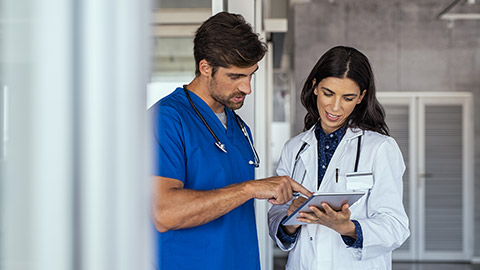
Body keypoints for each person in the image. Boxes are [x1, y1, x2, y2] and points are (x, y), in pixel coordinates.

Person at [150, 12, 311, 270]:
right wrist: (249, 189)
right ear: (205, 68)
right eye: (236, 77)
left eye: (251, 75)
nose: (247, 88)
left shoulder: (237, 126)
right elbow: (164, 213)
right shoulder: (166, 119)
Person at [268, 46, 410, 269]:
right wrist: (291, 220)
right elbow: (276, 217)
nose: (335, 107)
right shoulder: (294, 148)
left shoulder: (381, 148)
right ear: (315, 87)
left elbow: (395, 226)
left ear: (361, 97)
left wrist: (347, 227)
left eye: (348, 97)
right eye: (328, 93)